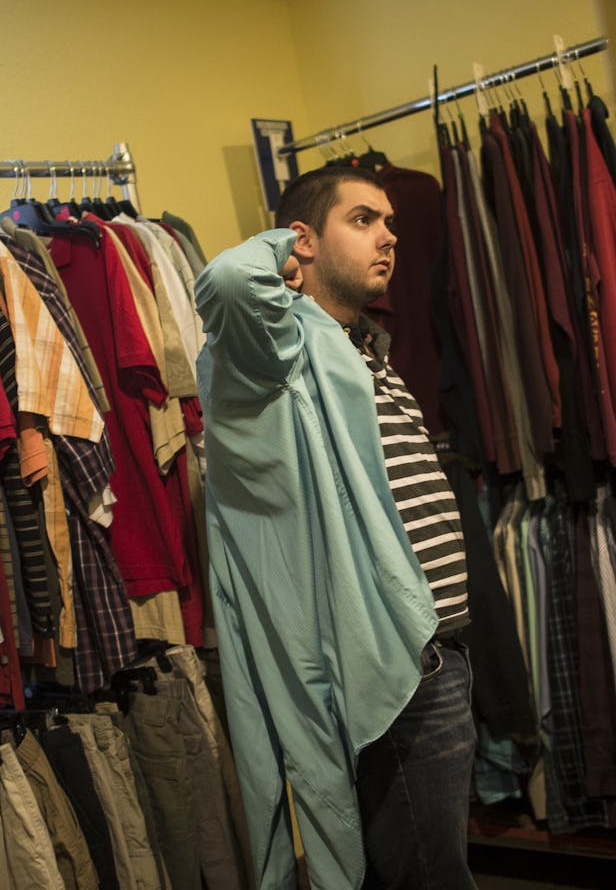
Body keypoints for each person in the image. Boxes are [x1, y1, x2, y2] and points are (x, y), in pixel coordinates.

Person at [196, 165, 478, 890]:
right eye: (362, 219)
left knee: (422, 867)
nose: (388, 236)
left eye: (390, 223)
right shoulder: (276, 353)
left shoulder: (368, 354)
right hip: (399, 672)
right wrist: (274, 251)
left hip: (439, 660)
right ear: (304, 240)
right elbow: (227, 280)